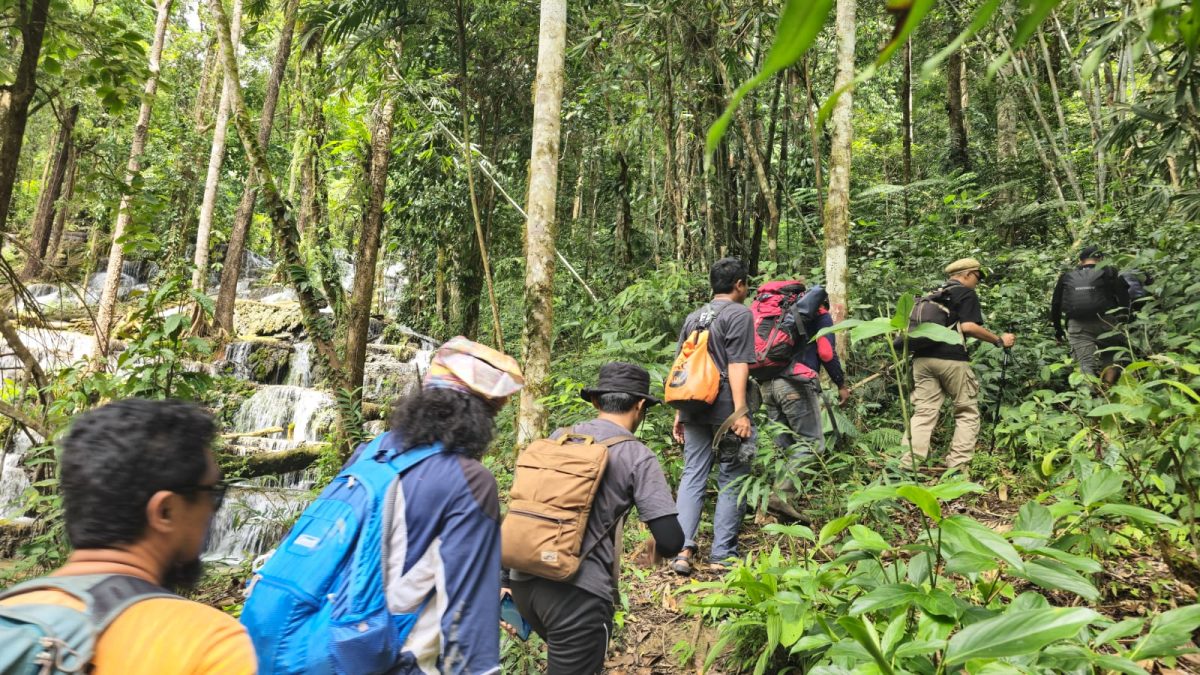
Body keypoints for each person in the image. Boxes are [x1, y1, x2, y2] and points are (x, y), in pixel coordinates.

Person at [239, 337, 523, 675]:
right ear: (478, 415)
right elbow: (468, 612)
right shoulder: (467, 480)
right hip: (383, 658)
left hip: (298, 638)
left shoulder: (373, 451)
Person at [0, 399, 256, 674]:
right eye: (213, 493)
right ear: (165, 511)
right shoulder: (206, 643)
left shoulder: (11, 611)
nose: (213, 510)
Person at [505, 362, 683, 674]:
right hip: (576, 596)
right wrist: (658, 550)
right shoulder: (636, 455)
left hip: (523, 583)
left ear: (597, 402)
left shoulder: (559, 437)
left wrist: (503, 578)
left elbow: (528, 508)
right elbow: (671, 539)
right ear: (640, 406)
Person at [671, 257, 756, 575]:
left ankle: (682, 549)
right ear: (739, 285)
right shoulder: (739, 314)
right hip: (724, 407)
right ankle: (722, 555)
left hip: (693, 404)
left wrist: (680, 412)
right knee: (732, 477)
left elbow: (682, 364)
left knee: (692, 474)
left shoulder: (695, 317)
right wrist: (740, 411)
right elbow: (737, 364)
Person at [901, 258, 1016, 476]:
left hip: (922, 359)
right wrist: (998, 340)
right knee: (966, 410)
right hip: (951, 359)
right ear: (967, 274)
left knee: (924, 412)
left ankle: (909, 464)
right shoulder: (965, 293)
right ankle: (958, 467)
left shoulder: (933, 294)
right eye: (978, 277)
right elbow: (969, 326)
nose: (978, 282)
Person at [762, 290, 851, 521]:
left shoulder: (778, 317)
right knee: (812, 444)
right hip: (795, 385)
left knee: (786, 446)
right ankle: (778, 498)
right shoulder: (821, 316)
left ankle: (774, 509)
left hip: (767, 384)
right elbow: (825, 351)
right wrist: (840, 383)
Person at [1050, 245, 1131, 383]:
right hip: (1107, 322)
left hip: (1078, 325)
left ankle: (1089, 395)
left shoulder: (1067, 276)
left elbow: (1056, 304)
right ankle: (1107, 388)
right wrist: (1125, 321)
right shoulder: (1110, 272)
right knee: (1110, 356)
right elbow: (1124, 298)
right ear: (1100, 259)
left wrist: (1058, 330)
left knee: (1085, 363)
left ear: (1081, 261)